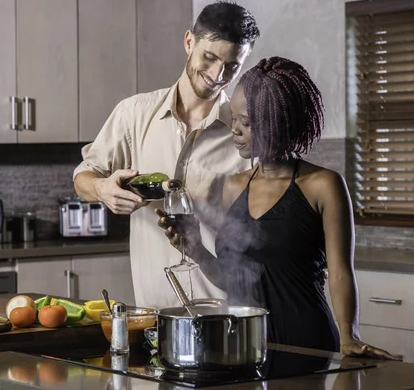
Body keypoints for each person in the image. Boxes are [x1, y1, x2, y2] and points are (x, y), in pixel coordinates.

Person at [157, 56, 400, 359]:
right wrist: (196, 249)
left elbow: (339, 274)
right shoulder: (234, 187)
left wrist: (348, 336)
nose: (235, 130)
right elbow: (233, 278)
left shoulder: (323, 185)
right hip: (245, 343)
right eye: (233, 119)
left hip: (306, 342)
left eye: (246, 123)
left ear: (278, 125)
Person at [73, 1, 260, 308]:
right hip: (152, 313)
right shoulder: (134, 114)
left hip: (224, 314)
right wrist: (101, 189)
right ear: (189, 42)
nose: (217, 74)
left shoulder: (246, 132)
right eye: (209, 58)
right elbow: (84, 174)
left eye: (232, 67)